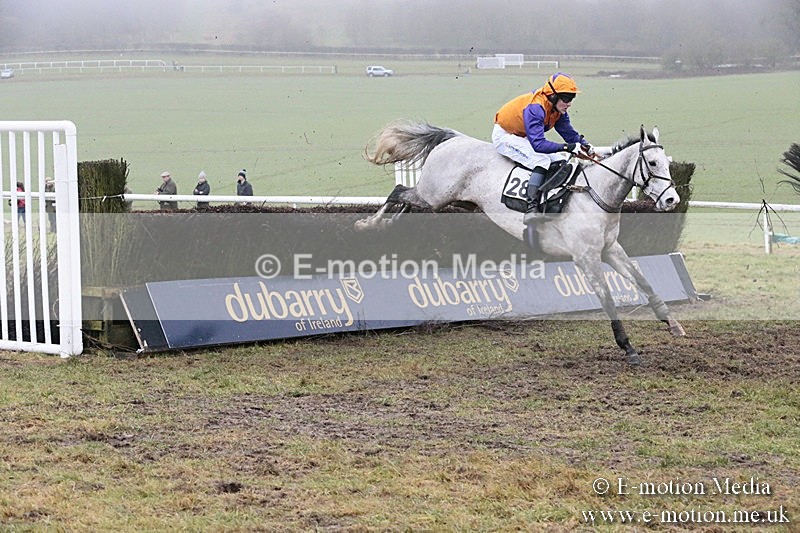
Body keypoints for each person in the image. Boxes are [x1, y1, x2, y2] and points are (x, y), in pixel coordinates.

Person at [492, 72, 593, 223]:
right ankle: (531, 208)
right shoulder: (536, 108)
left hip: (522, 136)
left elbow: (568, 133)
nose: (569, 103)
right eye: (566, 98)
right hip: (505, 136)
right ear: (553, 96)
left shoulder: (557, 110)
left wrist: (585, 145)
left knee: (559, 160)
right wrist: (568, 147)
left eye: (572, 99)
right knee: (541, 161)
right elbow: (538, 145)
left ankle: (547, 199)